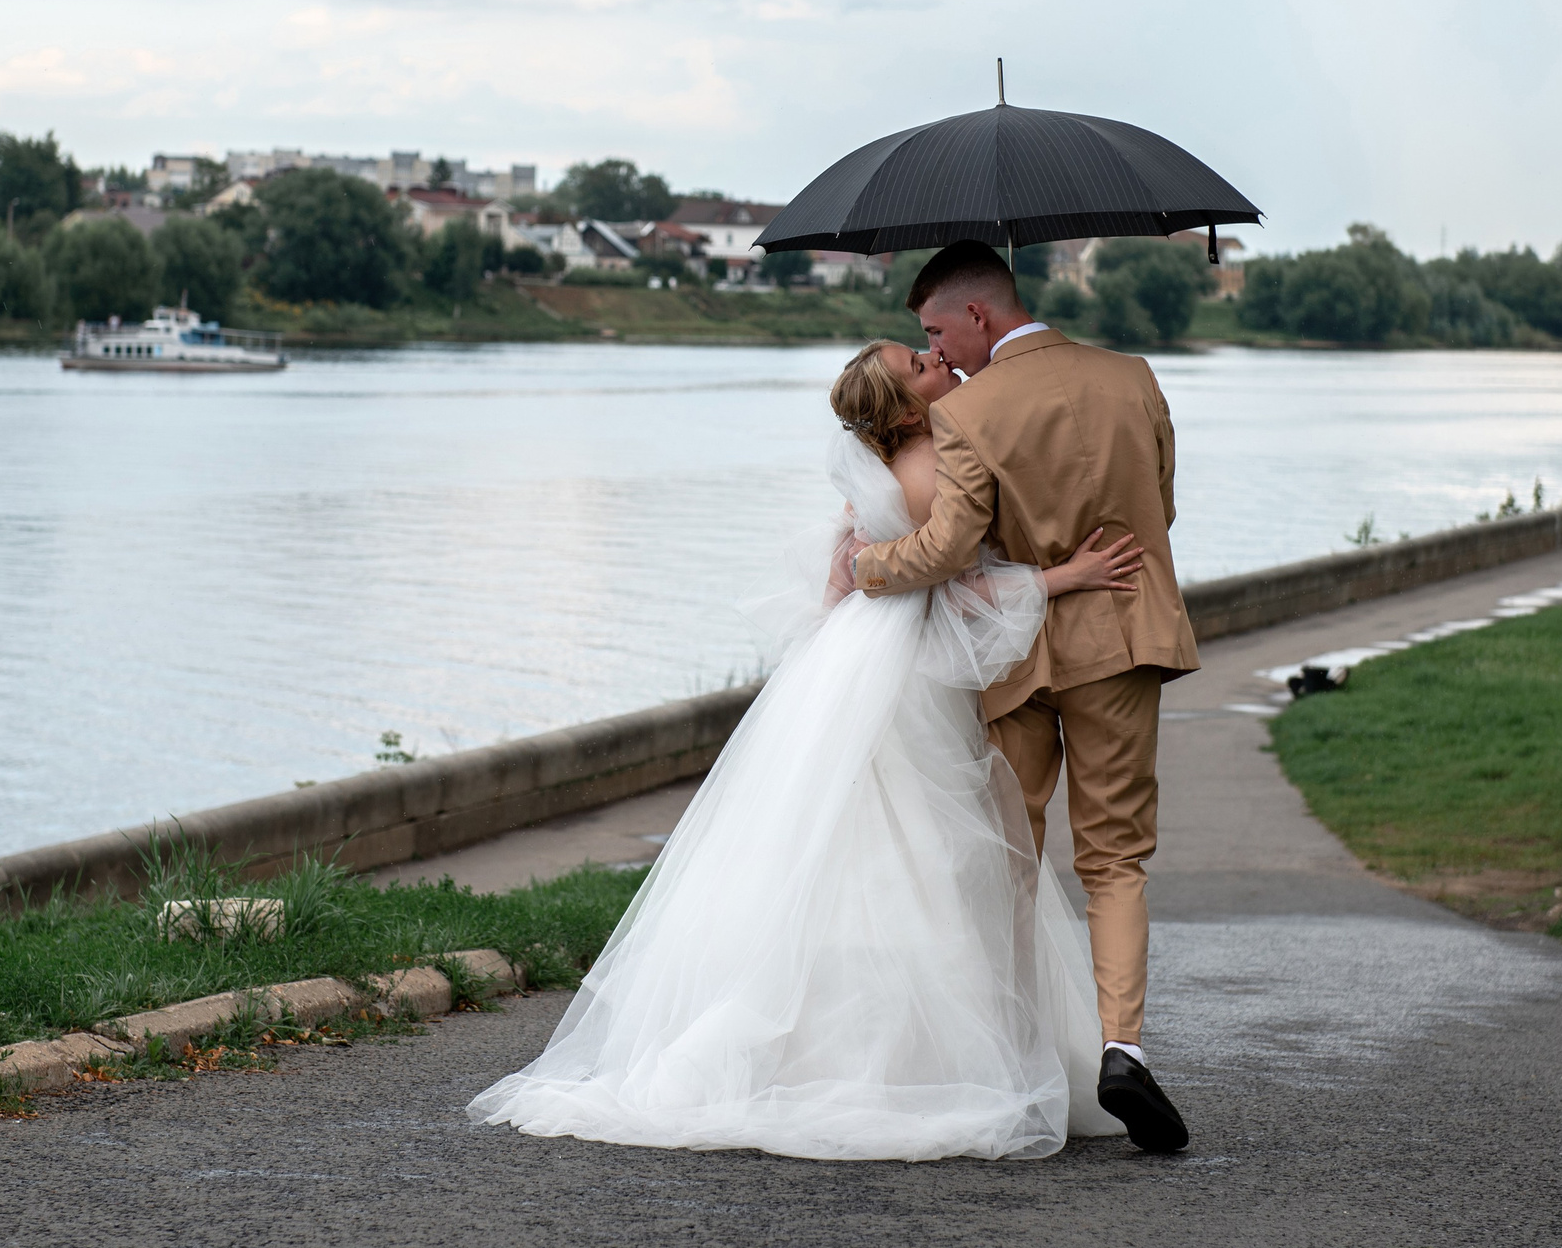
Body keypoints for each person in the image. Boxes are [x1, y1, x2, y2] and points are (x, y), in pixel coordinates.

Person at [467, 338, 1140, 1160]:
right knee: (923, 850)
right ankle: (911, 1063)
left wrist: (831, 646)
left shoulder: (873, 467)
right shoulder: (936, 461)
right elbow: (955, 583)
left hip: (852, 653)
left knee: (838, 848)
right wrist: (1061, 578)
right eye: (923, 364)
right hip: (906, 669)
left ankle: (826, 1045)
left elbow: (840, 576)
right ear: (904, 409)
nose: (941, 361)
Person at [838, 238, 1201, 1154]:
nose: (939, 351)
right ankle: (1122, 1047)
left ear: (978, 315)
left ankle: (1011, 1058)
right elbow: (1162, 501)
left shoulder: (970, 411)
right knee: (1116, 858)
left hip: (1021, 661)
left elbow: (951, 547)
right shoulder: (1134, 375)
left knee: (1014, 857)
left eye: (936, 330)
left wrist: (865, 566)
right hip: (1122, 635)